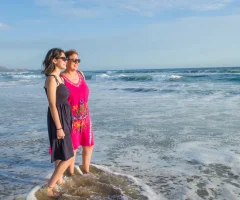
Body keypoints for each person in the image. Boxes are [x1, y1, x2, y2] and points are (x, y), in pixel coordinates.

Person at [42, 48, 74, 197]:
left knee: (63, 155)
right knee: (69, 156)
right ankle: (49, 187)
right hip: (58, 120)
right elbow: (52, 104)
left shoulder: (60, 77)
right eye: (63, 58)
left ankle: (59, 182)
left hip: (65, 117)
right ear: (54, 60)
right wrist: (59, 127)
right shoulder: (51, 79)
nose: (66, 61)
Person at [61, 49, 94, 174]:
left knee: (89, 145)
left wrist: (89, 118)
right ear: (66, 61)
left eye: (78, 60)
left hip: (85, 117)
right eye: (73, 60)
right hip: (71, 119)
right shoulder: (61, 78)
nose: (76, 62)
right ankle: (71, 173)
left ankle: (86, 171)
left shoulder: (81, 74)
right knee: (73, 149)